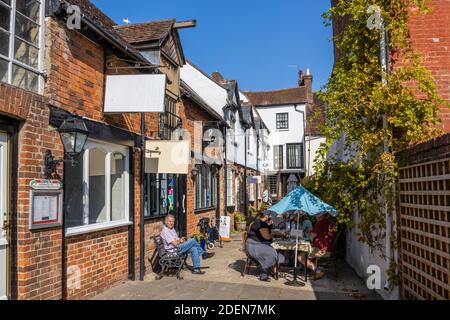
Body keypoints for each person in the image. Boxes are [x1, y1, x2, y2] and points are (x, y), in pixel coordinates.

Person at [245, 211, 285, 282]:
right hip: (254, 247)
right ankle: (264, 274)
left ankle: (274, 271)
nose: (270, 217)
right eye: (269, 215)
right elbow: (267, 237)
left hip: (254, 244)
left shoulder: (258, 221)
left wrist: (271, 228)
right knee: (273, 253)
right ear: (266, 216)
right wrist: (274, 234)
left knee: (276, 252)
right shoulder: (261, 223)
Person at [298, 212, 335, 280]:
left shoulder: (320, 223)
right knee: (307, 252)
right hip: (328, 249)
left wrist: (310, 234)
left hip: (321, 250)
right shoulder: (330, 223)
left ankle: (318, 271)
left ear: (320, 216)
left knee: (300, 257)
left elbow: (311, 237)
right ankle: (316, 269)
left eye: (316, 215)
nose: (315, 216)